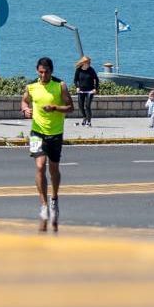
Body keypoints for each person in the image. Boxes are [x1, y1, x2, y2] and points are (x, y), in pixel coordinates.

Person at [20, 56, 74, 231]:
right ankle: (43, 205)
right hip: (37, 133)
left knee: (53, 169)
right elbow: (24, 100)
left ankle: (54, 199)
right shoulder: (31, 86)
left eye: (47, 72)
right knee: (40, 166)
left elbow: (71, 107)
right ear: (37, 71)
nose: (43, 76)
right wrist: (25, 110)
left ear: (52, 71)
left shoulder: (60, 86)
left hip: (55, 134)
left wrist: (56, 108)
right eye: (41, 72)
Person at [73, 55, 99, 127]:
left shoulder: (91, 70)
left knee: (87, 106)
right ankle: (84, 117)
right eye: (88, 63)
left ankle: (89, 121)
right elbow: (75, 80)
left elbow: (96, 79)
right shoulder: (78, 70)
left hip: (90, 91)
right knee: (80, 106)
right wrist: (77, 87)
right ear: (83, 63)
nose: (89, 64)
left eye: (89, 63)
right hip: (81, 91)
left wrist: (95, 88)